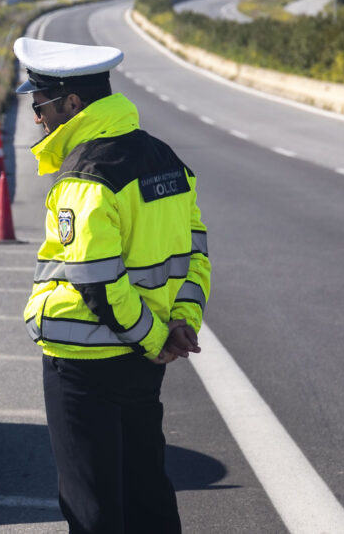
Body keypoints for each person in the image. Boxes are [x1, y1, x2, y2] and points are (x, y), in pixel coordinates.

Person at [15, 37, 211, 533]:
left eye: (41, 106)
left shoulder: (84, 178)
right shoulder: (168, 161)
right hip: (143, 363)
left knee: (92, 507)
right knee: (147, 496)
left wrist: (152, 338)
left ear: (73, 104)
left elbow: (97, 283)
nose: (39, 119)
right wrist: (178, 325)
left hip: (83, 367)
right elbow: (195, 255)